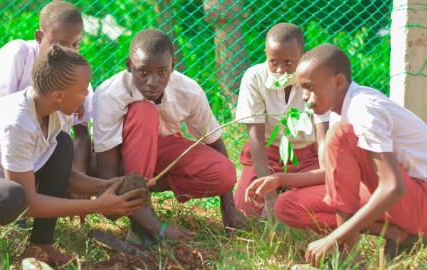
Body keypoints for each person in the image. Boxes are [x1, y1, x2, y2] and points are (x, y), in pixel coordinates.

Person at [0, 44, 148, 265]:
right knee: (10, 196)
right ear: (59, 95)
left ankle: (40, 244)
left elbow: (65, 176)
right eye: (83, 90)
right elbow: (27, 203)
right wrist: (98, 206)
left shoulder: (55, 112)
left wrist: (108, 186)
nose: (86, 96)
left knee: (63, 145)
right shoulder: (18, 122)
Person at [249, 44, 427, 267]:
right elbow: (333, 175)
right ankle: (399, 235)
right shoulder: (339, 111)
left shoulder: (363, 108)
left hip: (419, 200)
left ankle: (348, 260)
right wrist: (280, 180)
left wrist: (334, 238)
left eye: (310, 87)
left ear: (338, 82)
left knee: (340, 135)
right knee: (288, 205)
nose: (304, 97)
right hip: (403, 199)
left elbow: (393, 186)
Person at [93, 29, 244, 246]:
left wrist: (228, 208)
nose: (152, 81)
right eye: (143, 72)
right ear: (129, 65)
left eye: (162, 72)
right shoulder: (109, 94)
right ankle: (141, 214)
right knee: (143, 111)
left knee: (224, 173)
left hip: (164, 149)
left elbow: (214, 142)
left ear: (172, 65)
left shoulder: (188, 90)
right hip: (122, 157)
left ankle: (140, 193)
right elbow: (106, 171)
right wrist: (157, 227)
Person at [0, 1, 94, 178]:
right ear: (40, 37)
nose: (69, 51)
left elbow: (81, 134)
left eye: (76, 44)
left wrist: (79, 176)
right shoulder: (18, 53)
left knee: (64, 143)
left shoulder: (76, 73)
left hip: (40, 157)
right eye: (61, 44)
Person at [234, 23, 329, 219]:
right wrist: (267, 195)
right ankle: (280, 191)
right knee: (248, 208)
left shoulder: (316, 79)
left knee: (319, 203)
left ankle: (289, 192)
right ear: (265, 53)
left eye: (289, 62)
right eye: (273, 61)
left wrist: (323, 173)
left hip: (305, 158)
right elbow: (256, 138)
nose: (280, 70)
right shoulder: (255, 78)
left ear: (303, 55)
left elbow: (323, 136)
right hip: (266, 156)